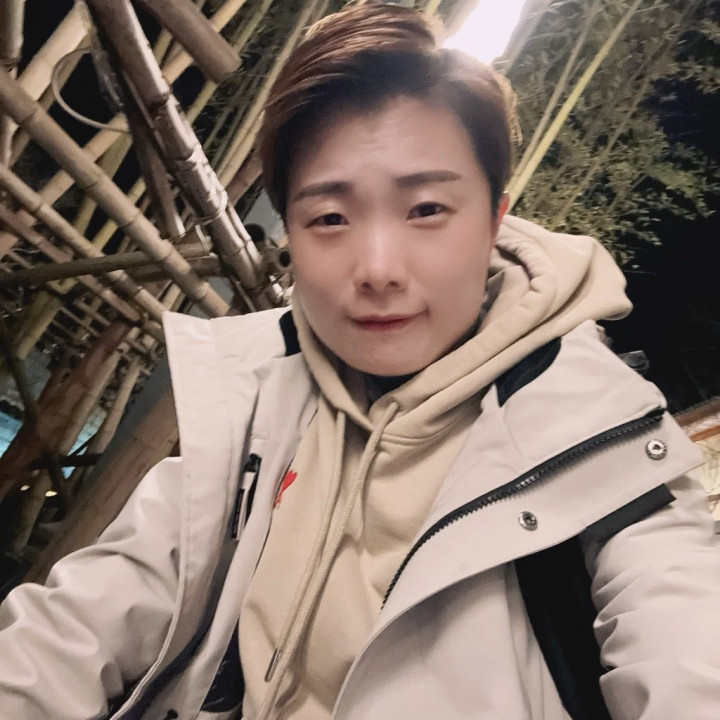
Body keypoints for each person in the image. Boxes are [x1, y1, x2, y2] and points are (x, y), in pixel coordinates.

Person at [1, 4, 719, 719]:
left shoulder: (607, 447)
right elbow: (77, 625)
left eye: (426, 210)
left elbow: (687, 652)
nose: (377, 269)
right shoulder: (254, 409)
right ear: (290, 236)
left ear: (495, 222)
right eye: (330, 219)